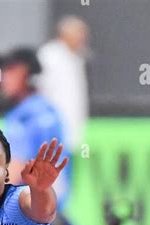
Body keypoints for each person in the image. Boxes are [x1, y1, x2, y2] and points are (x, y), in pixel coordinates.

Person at [0, 47, 101, 225]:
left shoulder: (25, 117)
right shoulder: (50, 112)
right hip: (50, 217)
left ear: (23, 73)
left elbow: (15, 171)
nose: (1, 78)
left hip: (28, 221)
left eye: (8, 71)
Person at [38, 16, 90, 153]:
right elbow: (39, 90)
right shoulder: (50, 56)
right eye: (79, 34)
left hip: (69, 130)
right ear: (65, 34)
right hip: (51, 130)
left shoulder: (76, 58)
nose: (82, 39)